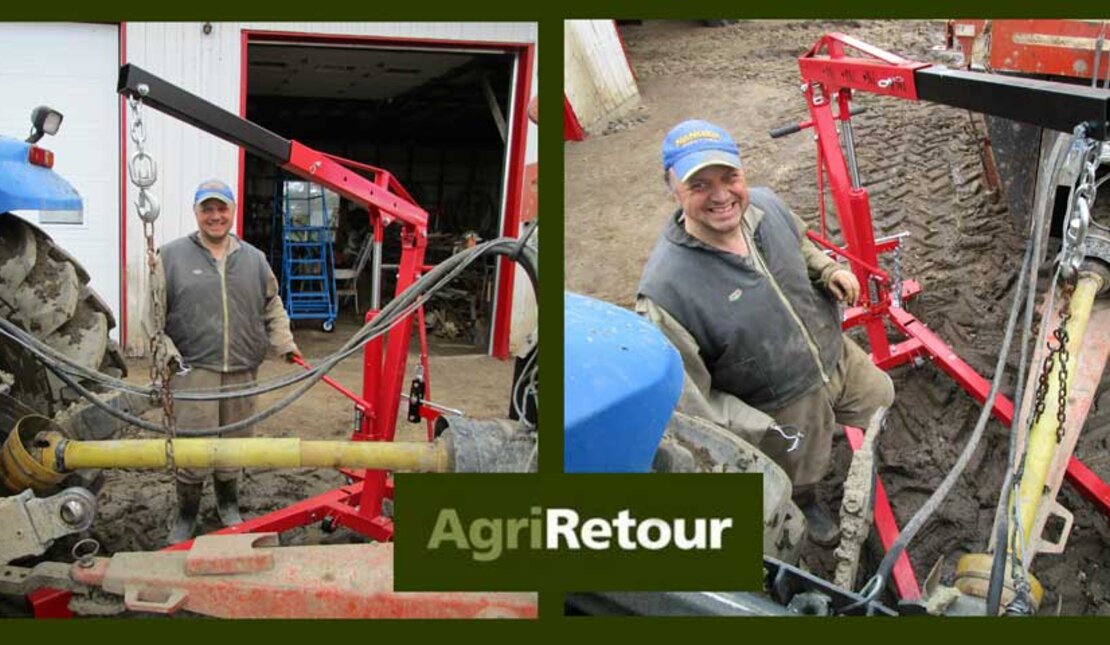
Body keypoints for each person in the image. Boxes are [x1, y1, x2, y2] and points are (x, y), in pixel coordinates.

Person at [637, 120, 894, 546]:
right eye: (700, 185)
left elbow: (801, 243)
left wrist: (827, 269)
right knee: (799, 471)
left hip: (833, 354)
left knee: (880, 397)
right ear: (672, 188)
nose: (721, 196)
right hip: (780, 405)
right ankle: (805, 502)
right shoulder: (666, 291)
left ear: (743, 172)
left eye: (729, 178)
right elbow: (692, 401)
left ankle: (835, 446)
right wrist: (762, 429)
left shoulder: (768, 207)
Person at [147, 178, 301, 544]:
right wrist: (165, 354)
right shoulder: (170, 256)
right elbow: (151, 317)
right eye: (207, 209)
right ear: (196, 213)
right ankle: (186, 514)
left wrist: (286, 343)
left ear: (232, 211)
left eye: (222, 208)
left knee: (234, 443)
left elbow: (272, 305)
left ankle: (227, 505)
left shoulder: (255, 259)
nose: (215, 216)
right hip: (192, 370)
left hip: (243, 370)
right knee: (193, 446)